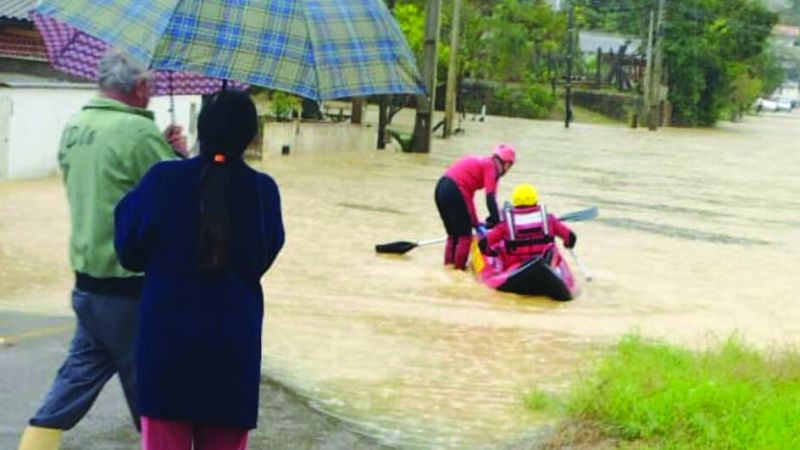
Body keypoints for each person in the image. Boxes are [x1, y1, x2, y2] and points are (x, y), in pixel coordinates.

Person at [17, 50, 188, 450]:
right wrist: (179, 154)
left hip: (88, 284)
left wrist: (160, 150)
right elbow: (177, 197)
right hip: (130, 288)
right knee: (152, 394)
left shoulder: (75, 125)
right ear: (141, 87)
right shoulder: (139, 134)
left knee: (74, 381)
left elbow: (113, 179)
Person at [114, 89, 285, 450]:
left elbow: (128, 251)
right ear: (251, 137)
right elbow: (260, 259)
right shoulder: (264, 192)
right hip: (232, 355)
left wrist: (171, 166)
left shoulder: (163, 179)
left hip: (167, 352)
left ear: (200, 129)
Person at [434, 144, 515, 270]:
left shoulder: (483, 163)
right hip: (454, 190)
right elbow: (490, 199)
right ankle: (459, 272)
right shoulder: (491, 167)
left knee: (454, 235)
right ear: (506, 164)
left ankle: (448, 269)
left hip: (441, 188)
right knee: (465, 237)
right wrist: (497, 222)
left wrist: (476, 224)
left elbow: (468, 199)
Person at [479, 183, 576, 270]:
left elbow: (483, 244)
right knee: (551, 251)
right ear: (535, 201)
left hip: (516, 267)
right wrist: (567, 244)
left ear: (515, 202)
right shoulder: (549, 220)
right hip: (544, 264)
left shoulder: (506, 224)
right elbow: (571, 237)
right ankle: (547, 265)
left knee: (502, 247)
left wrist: (491, 253)